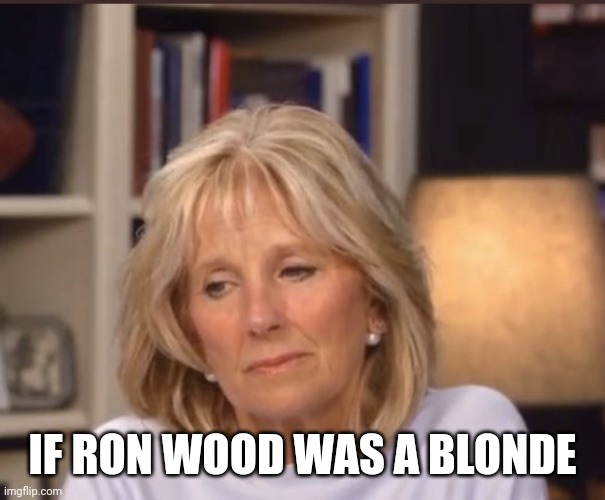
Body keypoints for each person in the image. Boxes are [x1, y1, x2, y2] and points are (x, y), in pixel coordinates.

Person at [63, 104, 547, 499]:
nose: (259, 318)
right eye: (219, 286)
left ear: (377, 300)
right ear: (191, 332)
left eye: (296, 271)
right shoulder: (125, 474)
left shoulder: (471, 441)